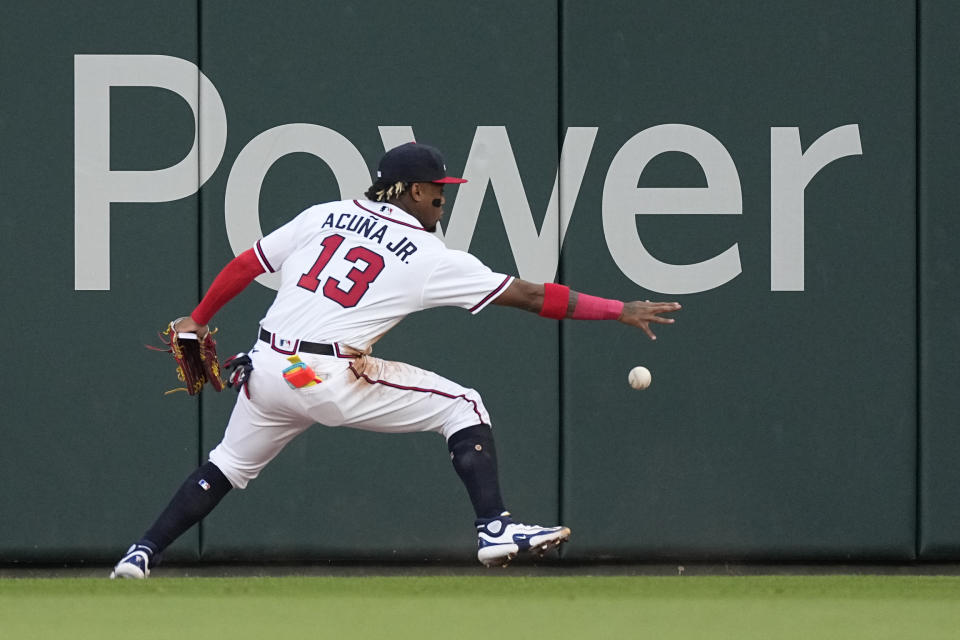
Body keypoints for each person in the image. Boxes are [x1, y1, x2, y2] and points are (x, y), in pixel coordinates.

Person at [109, 142, 681, 578]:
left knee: (226, 467)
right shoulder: (428, 254)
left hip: (266, 371)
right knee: (463, 404)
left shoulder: (322, 215)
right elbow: (531, 296)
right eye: (436, 188)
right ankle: (495, 528)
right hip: (324, 376)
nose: (442, 197)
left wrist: (198, 316)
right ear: (407, 190)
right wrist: (618, 309)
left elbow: (246, 263)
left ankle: (139, 555)